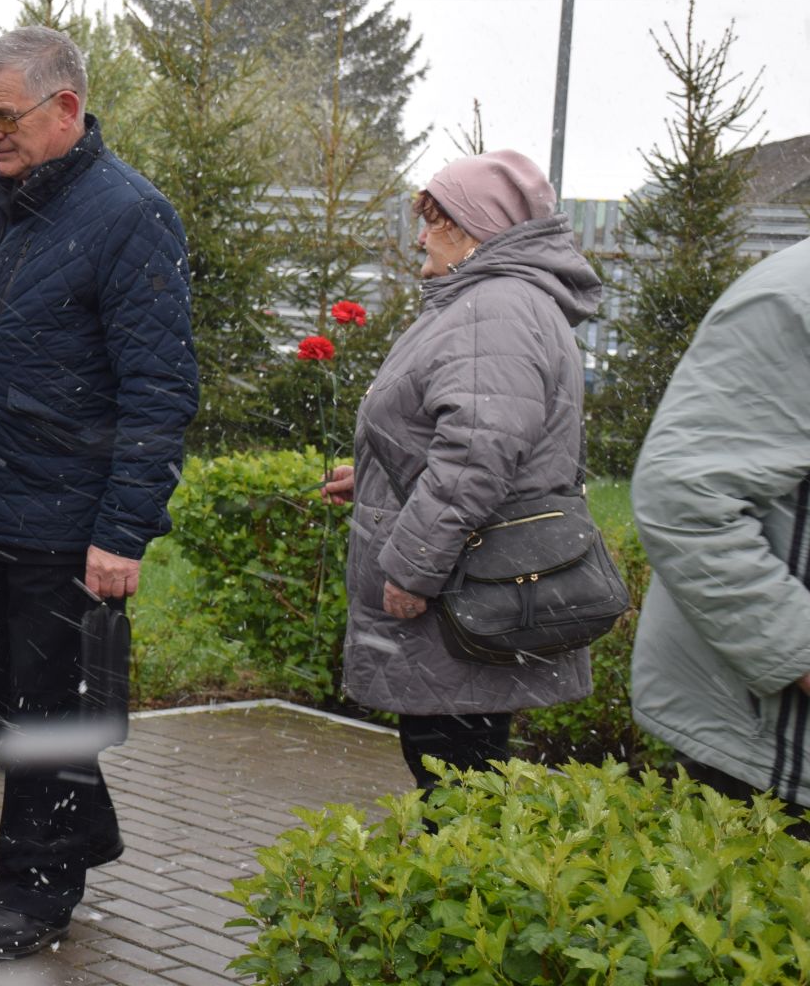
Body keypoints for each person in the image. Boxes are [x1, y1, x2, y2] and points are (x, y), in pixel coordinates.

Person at [0, 26, 198, 959]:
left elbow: (160, 390)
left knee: (42, 710)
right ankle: (80, 829)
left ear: (65, 107)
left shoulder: (131, 217)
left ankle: (31, 896)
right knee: (13, 698)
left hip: (67, 516)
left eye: (3, 117)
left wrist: (123, 532)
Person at [321, 149, 601, 791]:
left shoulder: (494, 310)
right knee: (456, 772)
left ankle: (463, 893)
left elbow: (479, 453)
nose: (419, 235)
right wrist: (372, 476)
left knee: (454, 782)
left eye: (433, 219)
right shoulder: (491, 303)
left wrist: (414, 569)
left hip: (459, 595)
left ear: (476, 227)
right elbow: (474, 437)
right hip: (469, 586)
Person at [630, 237, 810, 814]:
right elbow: (684, 494)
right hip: (778, 745)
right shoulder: (792, 298)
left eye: (434, 220)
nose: (425, 236)